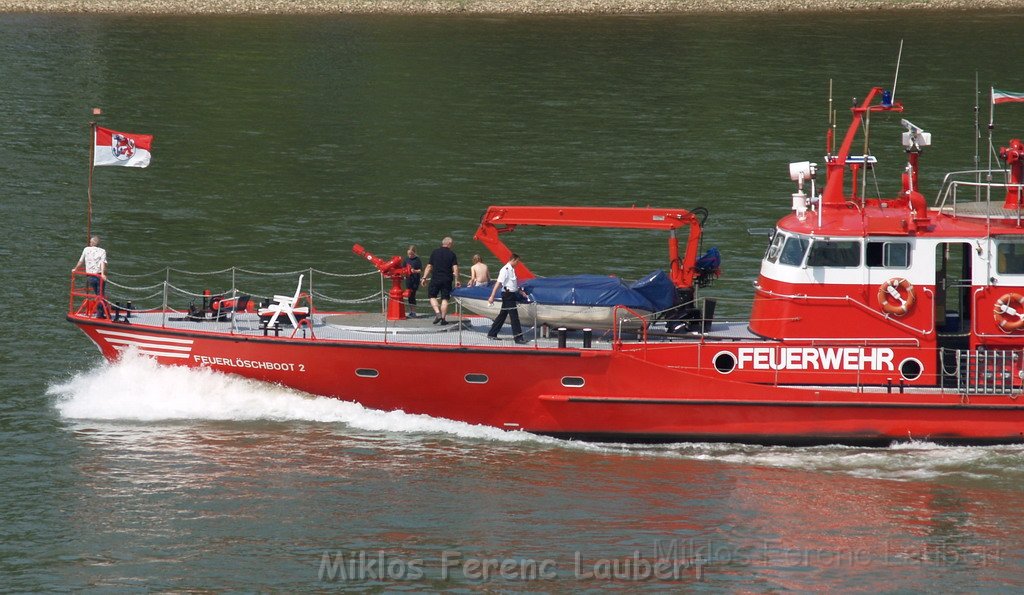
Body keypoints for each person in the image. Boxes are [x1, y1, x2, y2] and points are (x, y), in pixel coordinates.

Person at [487, 253, 528, 344]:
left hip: (511, 294)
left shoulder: (512, 270)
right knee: (514, 317)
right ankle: (518, 338)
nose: (518, 263)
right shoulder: (505, 270)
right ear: (513, 260)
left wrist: (520, 291)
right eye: (517, 261)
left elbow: (512, 284)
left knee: (503, 315)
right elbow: (498, 283)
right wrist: (492, 296)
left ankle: (492, 333)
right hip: (507, 295)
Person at [420, 236, 459, 325]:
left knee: (432, 296)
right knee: (445, 299)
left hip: (435, 278)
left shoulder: (435, 252)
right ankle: (443, 319)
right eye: (452, 244)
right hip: (447, 279)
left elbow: (429, 266)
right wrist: (457, 280)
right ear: (449, 244)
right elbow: (455, 268)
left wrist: (424, 278)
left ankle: (437, 313)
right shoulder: (452, 254)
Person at [73, 235, 108, 318]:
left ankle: (102, 311)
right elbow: (103, 263)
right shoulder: (102, 251)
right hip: (99, 275)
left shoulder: (86, 249)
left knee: (98, 294)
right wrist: (103, 274)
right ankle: (100, 314)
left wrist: (75, 269)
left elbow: (80, 261)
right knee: (100, 294)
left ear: (92, 243)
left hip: (90, 276)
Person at [402, 245, 423, 318]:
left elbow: (420, 270)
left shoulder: (417, 260)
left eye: (411, 254)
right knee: (409, 295)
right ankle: (411, 311)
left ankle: (413, 311)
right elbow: (403, 268)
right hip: (408, 279)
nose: (410, 255)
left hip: (415, 279)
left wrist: (415, 271)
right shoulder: (406, 259)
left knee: (413, 295)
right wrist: (404, 273)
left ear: (414, 253)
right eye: (409, 254)